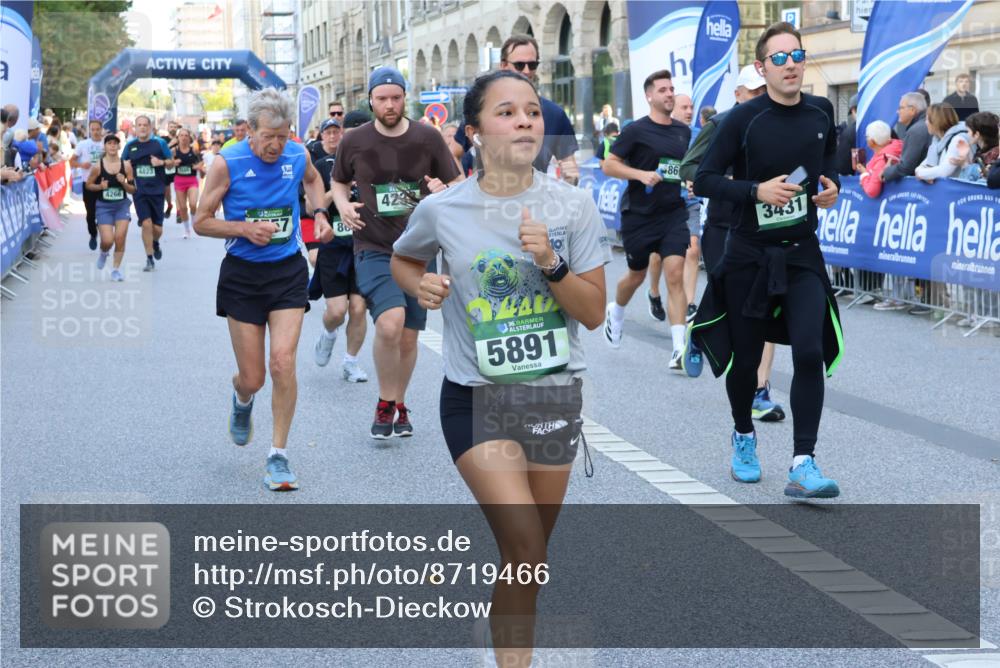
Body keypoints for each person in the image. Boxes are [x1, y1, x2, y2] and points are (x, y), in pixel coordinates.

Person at [390, 69, 609, 668]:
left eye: (533, 112)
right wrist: (423, 284)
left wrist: (551, 260)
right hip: (476, 397)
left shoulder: (572, 205)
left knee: (529, 560)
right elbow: (403, 259)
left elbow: (592, 313)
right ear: (474, 131)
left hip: (552, 399)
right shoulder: (444, 208)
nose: (524, 122)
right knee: (523, 541)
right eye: (507, 112)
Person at [693, 22, 843, 498]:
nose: (791, 64)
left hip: (801, 253)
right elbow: (705, 179)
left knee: (810, 351)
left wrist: (831, 186)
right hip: (749, 257)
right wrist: (755, 191)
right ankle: (743, 435)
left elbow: (826, 163)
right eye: (779, 58)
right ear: (762, 68)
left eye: (796, 55)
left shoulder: (821, 110)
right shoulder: (741, 119)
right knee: (745, 360)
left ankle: (804, 461)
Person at [194, 87, 334, 491]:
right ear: (249, 131)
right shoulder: (228, 162)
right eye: (268, 135)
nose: (276, 144)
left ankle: (278, 455)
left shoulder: (296, 153)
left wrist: (320, 212)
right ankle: (242, 399)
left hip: (287, 270)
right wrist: (243, 229)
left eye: (284, 133)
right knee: (254, 377)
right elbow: (202, 221)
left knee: (283, 362)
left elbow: (313, 181)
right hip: (242, 275)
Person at [332, 66, 462, 439]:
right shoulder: (354, 140)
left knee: (408, 337)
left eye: (396, 97)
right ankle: (385, 401)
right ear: (370, 100)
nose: (389, 105)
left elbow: (456, 182)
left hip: (419, 250)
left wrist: (444, 190)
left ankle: (399, 402)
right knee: (390, 322)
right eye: (382, 98)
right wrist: (342, 204)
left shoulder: (426, 137)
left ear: (405, 98)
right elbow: (339, 181)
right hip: (372, 246)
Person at [679, 63, 785, 419]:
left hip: (767, 227)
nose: (759, 97)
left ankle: (759, 390)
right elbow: (689, 169)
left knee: (766, 307)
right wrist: (732, 181)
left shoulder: (780, 122)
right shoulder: (721, 123)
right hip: (725, 225)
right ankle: (700, 330)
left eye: (762, 91)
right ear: (738, 94)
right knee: (733, 302)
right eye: (752, 92)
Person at [601, 69, 692, 371]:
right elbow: (609, 165)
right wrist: (640, 175)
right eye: (663, 90)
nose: (669, 94)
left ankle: (679, 349)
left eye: (671, 89)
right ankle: (616, 310)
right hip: (639, 215)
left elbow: (681, 168)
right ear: (649, 96)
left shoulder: (682, 131)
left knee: (675, 274)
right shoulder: (636, 131)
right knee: (636, 275)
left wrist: (689, 180)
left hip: (672, 212)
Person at [458, 34, 580, 185]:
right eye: (520, 65)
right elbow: (453, 154)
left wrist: (569, 182)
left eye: (532, 64)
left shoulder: (555, 113)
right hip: (488, 200)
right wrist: (461, 188)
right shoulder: (482, 110)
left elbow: (570, 166)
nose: (527, 71)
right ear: (503, 66)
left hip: (536, 201)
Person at [306, 117, 370, 383]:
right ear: (322, 138)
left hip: (363, 244)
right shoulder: (321, 166)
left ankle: (351, 362)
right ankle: (329, 334)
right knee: (336, 312)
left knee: (357, 307)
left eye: (337, 132)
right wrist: (338, 189)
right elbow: (312, 209)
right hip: (333, 245)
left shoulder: (369, 164)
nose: (334, 137)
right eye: (328, 133)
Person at [647, 93, 700, 326]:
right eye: (684, 107)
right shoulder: (660, 134)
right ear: (672, 110)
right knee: (658, 255)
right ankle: (654, 292)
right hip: (663, 203)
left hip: (689, 203)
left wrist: (697, 181)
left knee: (693, 250)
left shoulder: (699, 135)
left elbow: (710, 165)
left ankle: (689, 304)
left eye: (691, 107)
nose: (689, 111)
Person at [123, 115, 174, 271]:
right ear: (135, 128)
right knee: (146, 224)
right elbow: (123, 163)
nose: (143, 127)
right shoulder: (130, 146)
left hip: (157, 190)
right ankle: (149, 259)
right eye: (139, 125)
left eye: (145, 125)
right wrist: (128, 176)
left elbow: (171, 162)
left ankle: (155, 242)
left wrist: (161, 162)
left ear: (150, 127)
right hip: (140, 192)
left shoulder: (159, 143)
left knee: (157, 229)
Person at [85, 133, 135, 281]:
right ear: (105, 146)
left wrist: (124, 182)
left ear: (119, 146)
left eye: (115, 143)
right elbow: (88, 185)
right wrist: (100, 186)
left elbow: (133, 189)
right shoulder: (97, 166)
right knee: (108, 240)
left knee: (120, 238)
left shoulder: (126, 165)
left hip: (121, 206)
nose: (112, 146)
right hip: (104, 207)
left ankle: (115, 270)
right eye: (109, 143)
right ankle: (103, 252)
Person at [882, 92, 931, 184]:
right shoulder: (925, 124)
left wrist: (886, 172)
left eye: (901, 108)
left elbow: (905, 167)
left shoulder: (916, 130)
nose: (897, 111)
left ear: (912, 110)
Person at [915, 102, 970, 183]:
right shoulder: (937, 142)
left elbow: (944, 171)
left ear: (936, 121)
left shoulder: (958, 140)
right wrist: (926, 174)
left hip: (961, 193)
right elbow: (919, 168)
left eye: (927, 119)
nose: (925, 122)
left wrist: (922, 174)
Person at [71, 120, 106, 250]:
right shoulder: (83, 144)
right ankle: (93, 234)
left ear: (101, 130)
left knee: (103, 211)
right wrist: (81, 165)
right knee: (90, 212)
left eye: (98, 129)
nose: (96, 132)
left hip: (103, 182)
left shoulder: (106, 144)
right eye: (93, 129)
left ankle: (105, 234)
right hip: (88, 182)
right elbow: (71, 161)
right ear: (89, 130)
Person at [858, 120, 903, 199]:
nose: (866, 139)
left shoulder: (883, 159)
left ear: (872, 142)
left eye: (866, 137)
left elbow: (872, 191)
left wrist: (864, 174)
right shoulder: (890, 150)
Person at [172, 127, 203, 239]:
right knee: (183, 208)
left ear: (189, 138)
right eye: (181, 135)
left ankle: (194, 222)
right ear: (178, 138)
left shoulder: (193, 150)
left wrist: (197, 166)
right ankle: (187, 230)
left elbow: (201, 162)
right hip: (179, 180)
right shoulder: (174, 151)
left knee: (193, 204)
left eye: (186, 136)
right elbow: (168, 163)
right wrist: (173, 162)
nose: (184, 138)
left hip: (191, 180)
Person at [956, 111, 999, 183]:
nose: (967, 134)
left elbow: (975, 185)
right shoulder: (985, 153)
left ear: (976, 134)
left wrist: (964, 164)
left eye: (968, 131)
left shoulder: (990, 158)